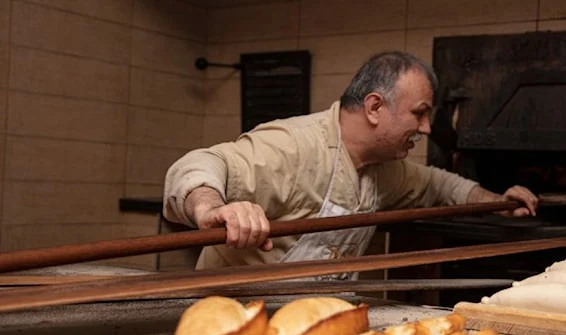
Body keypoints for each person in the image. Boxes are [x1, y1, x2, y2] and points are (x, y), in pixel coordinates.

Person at [163, 51, 539, 276]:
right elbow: (201, 163)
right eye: (419, 114)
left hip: (309, 328)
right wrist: (213, 208)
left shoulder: (383, 169)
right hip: (232, 321)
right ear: (375, 107)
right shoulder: (294, 147)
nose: (425, 128)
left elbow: (441, 186)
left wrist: (498, 201)